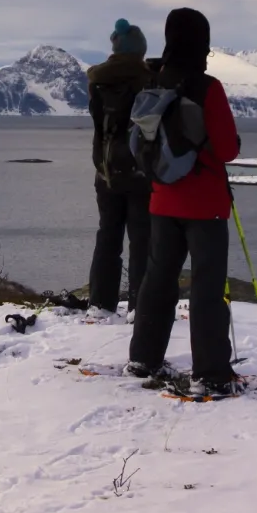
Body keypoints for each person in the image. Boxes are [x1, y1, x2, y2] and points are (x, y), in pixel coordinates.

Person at [126, 7, 246, 396]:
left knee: (157, 281)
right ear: (203, 43)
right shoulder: (208, 87)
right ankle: (211, 373)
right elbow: (227, 149)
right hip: (205, 205)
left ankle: (143, 358)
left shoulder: (154, 81)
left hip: (162, 199)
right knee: (207, 288)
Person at [85, 19, 155, 317]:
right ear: (140, 50)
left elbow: (98, 123)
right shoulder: (148, 79)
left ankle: (100, 303)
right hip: (140, 172)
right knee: (142, 240)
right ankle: (141, 305)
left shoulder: (98, 80)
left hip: (106, 169)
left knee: (108, 236)